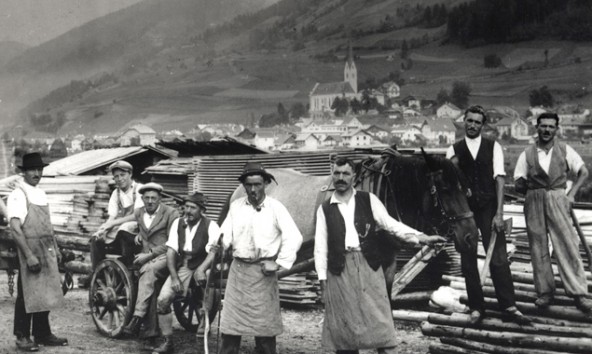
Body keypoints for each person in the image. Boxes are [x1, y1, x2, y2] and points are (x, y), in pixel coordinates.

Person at [314, 157, 445, 354]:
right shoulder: (325, 208)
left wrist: (422, 238)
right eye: (336, 173)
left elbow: (391, 225)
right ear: (332, 175)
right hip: (339, 270)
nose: (340, 178)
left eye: (345, 174)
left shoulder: (368, 200)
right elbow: (320, 247)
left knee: (379, 319)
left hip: (369, 265)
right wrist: (323, 282)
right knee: (344, 326)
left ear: (354, 177)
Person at [446, 105, 530, 324]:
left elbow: (500, 180)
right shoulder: (453, 150)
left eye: (477, 122)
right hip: (465, 213)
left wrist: (499, 214)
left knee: (499, 257)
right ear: (464, 121)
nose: (473, 125)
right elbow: (452, 185)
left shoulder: (494, 147)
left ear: (483, 125)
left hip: (489, 208)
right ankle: (476, 307)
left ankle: (508, 305)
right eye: (470, 120)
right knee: (468, 260)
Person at [217, 162, 302, 354]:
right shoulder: (236, 206)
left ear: (266, 184)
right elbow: (225, 234)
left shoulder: (276, 208)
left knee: (264, 331)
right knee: (231, 330)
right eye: (249, 185)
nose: (253, 189)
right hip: (238, 273)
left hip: (262, 275)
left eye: (257, 184)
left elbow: (294, 236)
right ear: (244, 186)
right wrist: (221, 245)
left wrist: (279, 263)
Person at [514, 112, 592, 317]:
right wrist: (529, 188)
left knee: (567, 244)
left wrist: (572, 194)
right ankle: (545, 292)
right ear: (536, 128)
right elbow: (518, 182)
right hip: (534, 201)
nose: (547, 130)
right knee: (538, 246)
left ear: (556, 129)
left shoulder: (565, 150)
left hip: (558, 198)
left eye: (551, 126)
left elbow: (583, 172)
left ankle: (579, 293)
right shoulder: (527, 154)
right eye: (543, 126)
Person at [8, 152, 68, 351]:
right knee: (27, 294)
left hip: (47, 249)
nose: (37, 173)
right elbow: (16, 230)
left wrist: (56, 249)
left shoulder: (41, 193)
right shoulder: (18, 194)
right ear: (24, 172)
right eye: (32, 169)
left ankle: (42, 333)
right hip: (30, 249)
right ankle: (22, 336)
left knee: (46, 291)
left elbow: (48, 226)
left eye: (39, 169)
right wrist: (29, 255)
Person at [153, 192, 221, 354]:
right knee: (162, 300)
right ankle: (167, 341)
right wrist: (175, 277)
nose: (188, 211)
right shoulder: (178, 223)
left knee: (207, 296)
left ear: (201, 210)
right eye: (186, 207)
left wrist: (201, 270)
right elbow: (171, 251)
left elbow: (213, 252)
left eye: (193, 208)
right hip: (184, 264)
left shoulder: (211, 226)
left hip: (205, 264)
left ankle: (203, 328)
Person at [122, 183, 179, 339]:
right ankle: (151, 331)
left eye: (154, 198)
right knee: (151, 283)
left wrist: (150, 255)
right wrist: (137, 237)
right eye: (146, 198)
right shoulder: (139, 213)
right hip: (144, 256)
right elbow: (140, 231)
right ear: (142, 199)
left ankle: (137, 317)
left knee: (149, 271)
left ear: (160, 198)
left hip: (167, 256)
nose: (150, 201)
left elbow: (173, 242)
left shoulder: (171, 214)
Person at [90, 160, 144, 270]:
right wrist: (103, 229)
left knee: (123, 229)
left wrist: (113, 223)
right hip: (126, 228)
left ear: (130, 174)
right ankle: (98, 271)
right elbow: (112, 216)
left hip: (140, 228)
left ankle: (128, 263)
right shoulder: (116, 193)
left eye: (123, 175)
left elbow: (136, 216)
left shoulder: (139, 189)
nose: (120, 179)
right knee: (96, 239)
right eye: (116, 176)